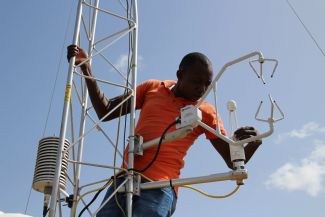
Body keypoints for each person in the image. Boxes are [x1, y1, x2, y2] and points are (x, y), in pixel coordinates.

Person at [67, 45, 262, 217]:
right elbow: (106, 110)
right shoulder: (152, 88)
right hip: (123, 180)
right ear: (180, 75)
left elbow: (232, 160)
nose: (201, 88)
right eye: (196, 81)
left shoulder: (206, 112)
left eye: (207, 83)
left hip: (160, 188)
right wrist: (86, 68)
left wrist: (253, 144)